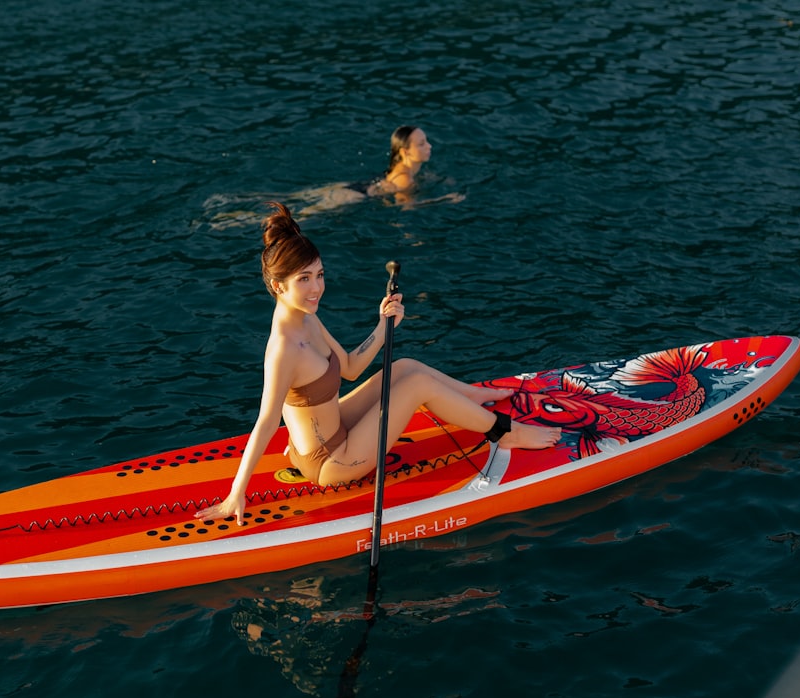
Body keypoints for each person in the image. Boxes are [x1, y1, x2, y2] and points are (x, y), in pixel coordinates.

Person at [195, 203, 561, 526]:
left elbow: (352, 367)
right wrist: (235, 494)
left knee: (402, 367)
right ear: (278, 285)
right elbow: (263, 422)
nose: (316, 288)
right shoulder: (283, 348)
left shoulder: (306, 318)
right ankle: (503, 432)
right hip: (333, 463)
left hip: (332, 430)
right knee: (417, 387)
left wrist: (383, 326)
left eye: (319, 275)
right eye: (303, 279)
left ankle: (474, 397)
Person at [203, 126, 464, 229]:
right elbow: (405, 207)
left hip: (353, 185)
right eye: (421, 143)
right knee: (298, 216)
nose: (428, 146)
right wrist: (443, 199)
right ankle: (230, 222)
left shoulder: (407, 170)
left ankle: (228, 201)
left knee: (289, 199)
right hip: (354, 194)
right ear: (405, 151)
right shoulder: (405, 179)